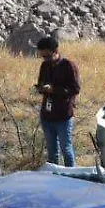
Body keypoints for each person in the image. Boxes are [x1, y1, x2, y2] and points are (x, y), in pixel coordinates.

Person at [34, 36, 81, 167]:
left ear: (55, 51)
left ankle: (71, 176)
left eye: (47, 56)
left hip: (63, 116)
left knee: (66, 150)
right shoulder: (44, 66)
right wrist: (42, 88)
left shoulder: (68, 66)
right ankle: (54, 179)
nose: (45, 59)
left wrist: (54, 90)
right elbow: (41, 82)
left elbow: (75, 89)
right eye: (42, 57)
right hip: (47, 116)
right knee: (51, 152)